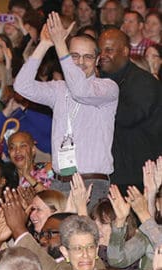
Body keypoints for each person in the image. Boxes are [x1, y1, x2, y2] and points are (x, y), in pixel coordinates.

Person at [14, 12, 119, 211]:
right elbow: (22, 86)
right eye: (74, 56)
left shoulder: (107, 87)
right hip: (59, 182)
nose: (80, 62)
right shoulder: (59, 89)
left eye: (88, 57)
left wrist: (61, 44)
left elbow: (80, 91)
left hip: (92, 184)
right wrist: (45, 43)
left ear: (97, 60)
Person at [98, 28, 162, 192]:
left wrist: (96, 97)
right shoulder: (103, 81)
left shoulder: (142, 82)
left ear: (125, 51)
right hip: (112, 172)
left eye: (109, 50)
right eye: (100, 50)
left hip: (138, 177)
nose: (102, 55)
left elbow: (128, 117)